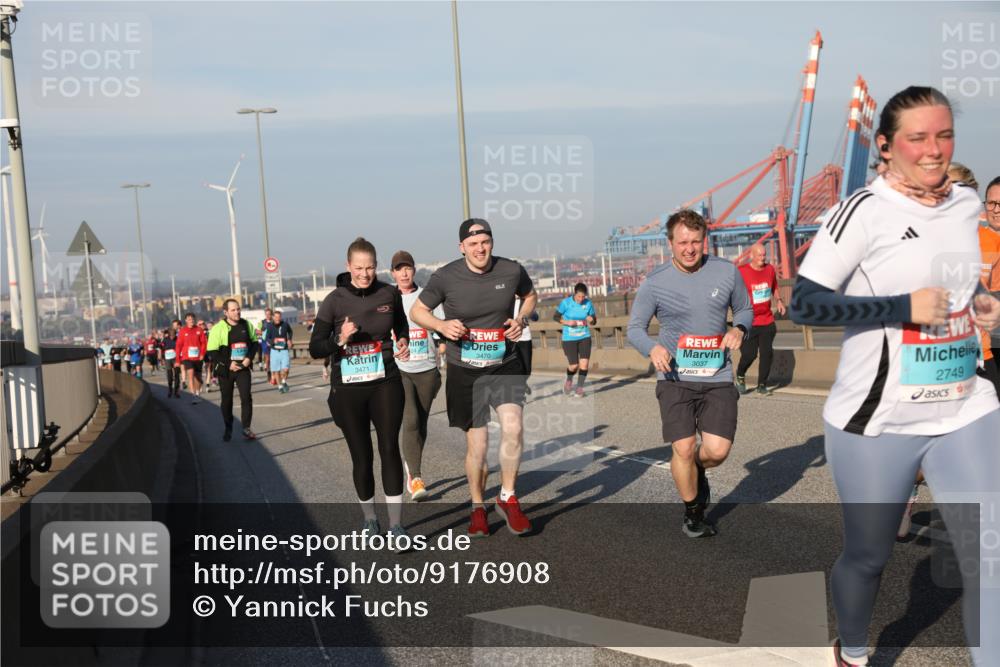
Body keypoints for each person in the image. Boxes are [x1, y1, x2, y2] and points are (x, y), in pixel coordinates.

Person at [789, 86, 1000, 667]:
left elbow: (959, 282)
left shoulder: (963, 203)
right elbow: (804, 304)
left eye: (944, 136)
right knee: (868, 558)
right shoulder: (864, 210)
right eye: (918, 138)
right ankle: (852, 650)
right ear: (885, 146)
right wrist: (900, 307)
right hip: (878, 419)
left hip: (966, 404)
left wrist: (981, 302)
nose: (933, 150)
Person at [627, 209, 752, 538]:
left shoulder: (726, 272)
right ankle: (694, 510)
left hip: (717, 376)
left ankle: (698, 468)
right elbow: (635, 329)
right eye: (682, 242)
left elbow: (745, 308)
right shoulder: (656, 282)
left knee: (717, 451)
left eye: (695, 241)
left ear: (704, 241)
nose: (689, 249)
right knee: (682, 447)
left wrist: (739, 328)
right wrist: (651, 348)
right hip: (674, 379)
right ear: (670, 244)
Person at [410, 219, 537, 538]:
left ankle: (508, 497)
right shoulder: (446, 276)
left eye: (485, 242)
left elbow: (531, 296)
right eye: (473, 244)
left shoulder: (511, 270)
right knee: (478, 446)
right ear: (462, 247)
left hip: (504, 360)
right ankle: (478, 506)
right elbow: (418, 312)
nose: (480, 249)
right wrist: (440, 326)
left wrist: (520, 318)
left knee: (514, 426)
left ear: (492, 242)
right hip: (465, 368)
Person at [309, 238, 411, 543]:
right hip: (349, 387)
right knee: (361, 456)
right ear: (347, 266)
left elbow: (401, 326)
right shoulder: (335, 300)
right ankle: (370, 519)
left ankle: (396, 525)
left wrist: (403, 341)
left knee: (390, 448)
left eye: (370, 267)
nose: (365, 273)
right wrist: (340, 339)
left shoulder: (388, 293)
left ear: (376, 265)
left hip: (385, 381)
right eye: (359, 268)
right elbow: (316, 347)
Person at [390, 250, 445, 501]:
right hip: (400, 370)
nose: (404, 273)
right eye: (399, 269)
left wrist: (443, 345)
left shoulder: (427, 297)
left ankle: (412, 466)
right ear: (392, 273)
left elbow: (442, 327)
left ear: (413, 270)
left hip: (427, 368)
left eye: (407, 268)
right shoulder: (388, 299)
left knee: (421, 423)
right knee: (410, 420)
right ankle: (416, 475)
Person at [735, 243, 787, 395]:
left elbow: (774, 287)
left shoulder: (770, 269)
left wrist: (778, 300)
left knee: (767, 354)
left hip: (766, 320)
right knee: (749, 354)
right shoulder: (741, 271)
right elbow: (731, 290)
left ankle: (762, 385)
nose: (762, 258)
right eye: (759, 255)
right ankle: (740, 375)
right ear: (751, 255)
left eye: (764, 255)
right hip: (748, 321)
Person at [207, 299, 259, 441]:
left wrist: (249, 358)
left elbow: (255, 343)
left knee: (246, 397)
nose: (237, 312)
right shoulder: (218, 328)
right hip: (226, 370)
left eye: (238, 309)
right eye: (233, 310)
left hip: (243, 367)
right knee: (227, 400)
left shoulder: (246, 325)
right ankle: (228, 426)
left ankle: (246, 428)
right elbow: (212, 352)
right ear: (226, 312)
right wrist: (228, 363)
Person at [555, 282, 597, 397]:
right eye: (579, 296)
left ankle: (579, 388)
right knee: (574, 366)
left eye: (583, 297)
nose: (581, 299)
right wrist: (567, 322)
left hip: (584, 336)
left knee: (584, 364)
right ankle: (569, 380)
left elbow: (594, 320)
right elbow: (556, 316)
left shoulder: (588, 304)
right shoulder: (566, 303)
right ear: (575, 294)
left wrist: (591, 319)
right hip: (569, 338)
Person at [176, 313, 207, 404]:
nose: (191, 320)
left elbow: (204, 343)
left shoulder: (199, 330)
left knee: (198, 377)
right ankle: (193, 395)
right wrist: (178, 359)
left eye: (192, 319)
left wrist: (202, 354)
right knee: (190, 374)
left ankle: (197, 393)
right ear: (186, 320)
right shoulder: (182, 331)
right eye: (189, 319)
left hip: (198, 357)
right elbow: (178, 345)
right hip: (187, 357)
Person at [264, 309, 294, 393]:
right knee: (276, 370)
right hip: (274, 351)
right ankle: (279, 386)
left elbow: (290, 332)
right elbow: (267, 338)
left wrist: (289, 339)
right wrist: (273, 341)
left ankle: (284, 381)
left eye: (279, 317)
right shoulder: (269, 326)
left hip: (284, 350)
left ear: (281, 317)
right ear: (273, 317)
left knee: (286, 369)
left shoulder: (285, 324)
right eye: (276, 317)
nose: (277, 318)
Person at [162, 323, 181, 398]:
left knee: (177, 375)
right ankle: (170, 390)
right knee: (169, 375)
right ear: (169, 334)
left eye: (174, 334)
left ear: (175, 334)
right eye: (171, 334)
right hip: (168, 359)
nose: (172, 336)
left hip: (176, 358)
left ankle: (176, 392)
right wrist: (162, 358)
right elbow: (162, 349)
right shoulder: (165, 340)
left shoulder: (178, 339)